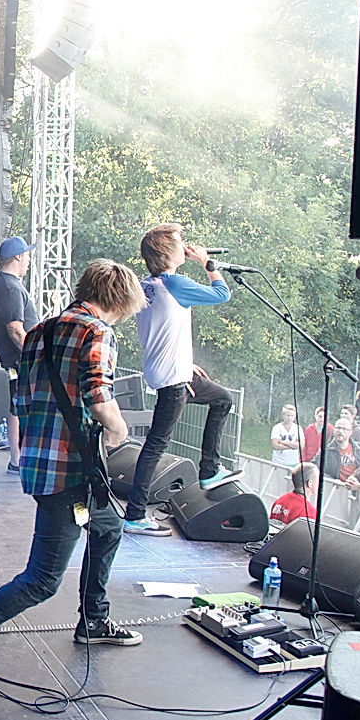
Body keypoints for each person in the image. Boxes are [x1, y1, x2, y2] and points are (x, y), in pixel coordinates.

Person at [0, 259, 147, 698]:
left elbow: (21, 402)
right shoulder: (96, 332)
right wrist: (120, 432)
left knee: (108, 528)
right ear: (118, 299)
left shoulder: (40, 331)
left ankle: (94, 620)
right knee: (43, 580)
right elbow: (100, 397)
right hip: (72, 473)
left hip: (44, 462)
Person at [123, 223, 241, 537]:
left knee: (222, 398)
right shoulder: (176, 282)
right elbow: (221, 294)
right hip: (174, 379)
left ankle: (209, 471)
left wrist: (187, 362)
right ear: (167, 252)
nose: (185, 246)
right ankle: (135, 515)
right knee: (155, 446)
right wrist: (208, 264)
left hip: (171, 372)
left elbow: (164, 329)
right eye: (179, 242)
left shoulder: (148, 284)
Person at [0, 236, 40, 475]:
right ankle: (19, 461)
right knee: (22, 406)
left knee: (17, 405)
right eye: (26, 255)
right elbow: (16, 329)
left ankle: (18, 460)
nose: (28, 259)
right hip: (21, 359)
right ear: (18, 256)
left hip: (16, 360)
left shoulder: (2, 284)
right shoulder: (8, 287)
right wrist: (38, 354)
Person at [323, 417, 360, 482]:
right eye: (338, 428)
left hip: (357, 487)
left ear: (350, 432)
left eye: (344, 429)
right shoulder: (326, 451)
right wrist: (332, 480)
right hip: (337, 488)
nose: (340, 431)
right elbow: (317, 470)